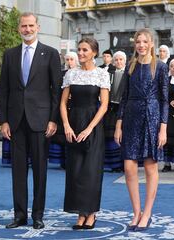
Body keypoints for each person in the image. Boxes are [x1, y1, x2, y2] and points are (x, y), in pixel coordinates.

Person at [0, 12, 61, 229]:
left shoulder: (51, 54)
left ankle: (38, 215)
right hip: (15, 122)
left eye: (31, 25)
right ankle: (19, 215)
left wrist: (53, 120)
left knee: (40, 170)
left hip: (41, 121)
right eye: (24, 26)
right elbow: (3, 90)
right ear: (19, 29)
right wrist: (3, 120)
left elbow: (56, 92)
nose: (27, 29)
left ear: (38, 27)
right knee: (18, 171)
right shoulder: (9, 55)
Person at [114, 29, 169, 231]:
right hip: (131, 118)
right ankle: (136, 212)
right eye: (138, 41)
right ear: (135, 44)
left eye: (145, 41)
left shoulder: (161, 67)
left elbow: (164, 100)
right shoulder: (130, 67)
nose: (141, 45)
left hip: (152, 119)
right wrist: (118, 125)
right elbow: (124, 98)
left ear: (152, 44)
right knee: (129, 167)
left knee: (150, 167)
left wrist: (163, 128)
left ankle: (147, 213)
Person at [61, 38, 110, 230]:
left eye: (85, 50)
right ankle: (80, 213)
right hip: (73, 125)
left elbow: (104, 105)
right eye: (79, 50)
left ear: (94, 53)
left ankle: (91, 213)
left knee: (91, 171)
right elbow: (63, 102)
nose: (80, 53)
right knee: (76, 171)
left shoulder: (101, 74)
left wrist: (90, 128)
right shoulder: (71, 74)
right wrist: (66, 125)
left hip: (93, 126)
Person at [49, 51, 79, 168]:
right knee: (62, 134)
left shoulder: (79, 73)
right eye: (68, 59)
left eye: (72, 59)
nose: (70, 62)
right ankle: (62, 160)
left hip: (75, 106)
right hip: (64, 106)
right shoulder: (61, 74)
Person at [103, 51, 127, 172]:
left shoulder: (129, 74)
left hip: (124, 110)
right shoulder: (108, 73)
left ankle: (123, 163)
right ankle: (114, 164)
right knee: (111, 136)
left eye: (121, 59)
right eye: (116, 60)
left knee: (123, 136)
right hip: (111, 109)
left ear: (125, 61)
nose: (118, 62)